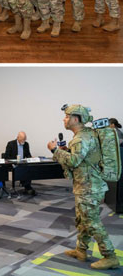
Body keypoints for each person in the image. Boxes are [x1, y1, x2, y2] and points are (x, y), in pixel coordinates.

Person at [48, 104, 119, 270]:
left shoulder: (81, 138)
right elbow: (80, 158)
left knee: (92, 222)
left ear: (75, 119)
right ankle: (81, 250)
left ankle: (110, 256)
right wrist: (66, 150)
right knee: (83, 220)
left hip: (89, 187)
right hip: (86, 185)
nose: (64, 119)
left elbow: (73, 161)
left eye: (66, 117)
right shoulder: (86, 135)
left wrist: (55, 150)